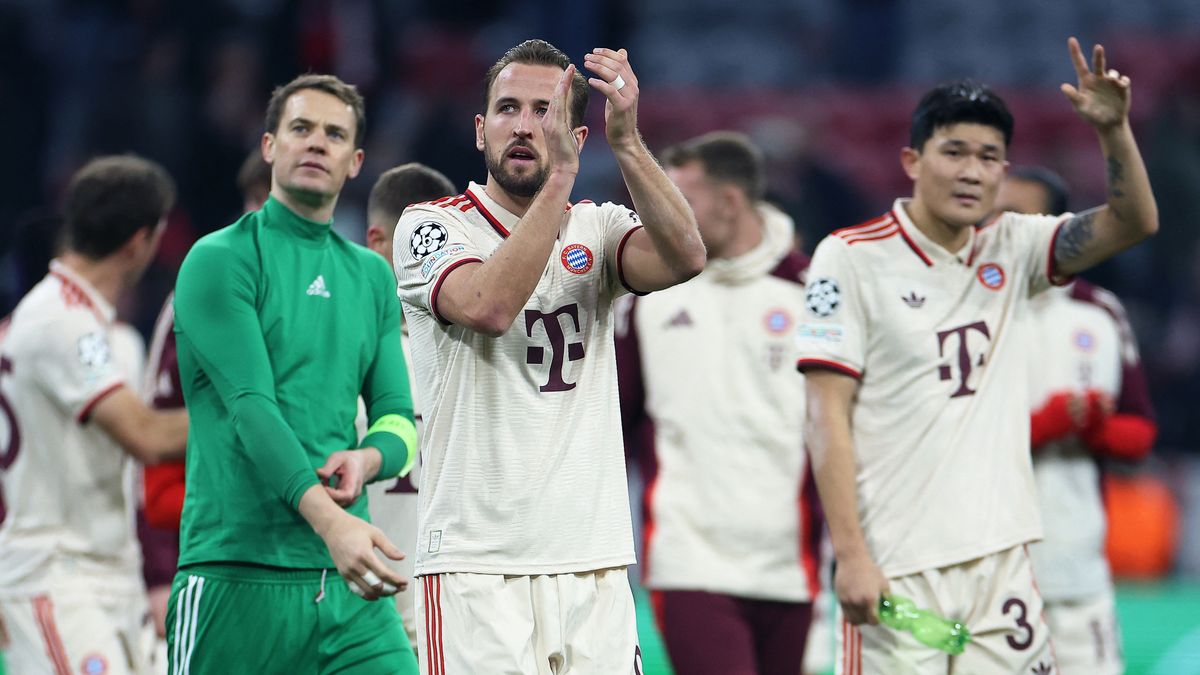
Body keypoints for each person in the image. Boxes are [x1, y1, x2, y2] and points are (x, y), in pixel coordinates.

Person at [796, 37, 1158, 674]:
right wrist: (851, 555)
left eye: (990, 157)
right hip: (899, 564)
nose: (972, 171)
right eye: (954, 151)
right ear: (911, 159)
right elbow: (826, 416)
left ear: (1004, 170)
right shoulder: (850, 257)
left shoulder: (1013, 247)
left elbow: (1132, 223)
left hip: (1003, 565)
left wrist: (1114, 131)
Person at [392, 39, 705, 673]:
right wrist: (559, 179)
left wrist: (628, 143)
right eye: (508, 108)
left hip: (592, 555)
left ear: (577, 132)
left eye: (546, 109)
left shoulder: (598, 226)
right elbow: (486, 306)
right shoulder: (431, 225)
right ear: (482, 130)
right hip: (477, 561)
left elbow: (685, 256)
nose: (527, 125)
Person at [167, 74, 419, 673]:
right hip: (237, 571)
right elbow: (252, 407)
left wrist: (368, 459)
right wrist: (332, 523)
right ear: (269, 146)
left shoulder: (372, 276)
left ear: (356, 161)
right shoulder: (218, 258)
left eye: (335, 135)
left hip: (349, 585)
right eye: (301, 128)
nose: (317, 144)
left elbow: (397, 419)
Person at [615, 131, 820, 675]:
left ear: (730, 202)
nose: (664, 214)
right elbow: (612, 424)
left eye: (681, 200)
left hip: (791, 561)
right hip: (689, 558)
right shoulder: (646, 296)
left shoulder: (816, 293)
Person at [0, 154, 188, 675]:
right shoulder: (60, 320)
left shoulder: (90, 327)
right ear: (140, 242)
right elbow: (146, 437)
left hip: (106, 574)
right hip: (57, 575)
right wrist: (255, 415)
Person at [997, 166, 1157, 675]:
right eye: (996, 218)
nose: (1005, 232)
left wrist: (1091, 426)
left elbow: (1140, 434)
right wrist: (1044, 423)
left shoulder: (1099, 313)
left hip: (1077, 567)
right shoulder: (966, 309)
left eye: (1020, 218)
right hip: (989, 573)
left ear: (1057, 229)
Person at [362, 162, 457, 651]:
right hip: (358, 616)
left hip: (455, 622)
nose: (433, 259)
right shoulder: (342, 345)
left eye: (442, 243)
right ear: (379, 242)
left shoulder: (471, 350)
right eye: (418, 244)